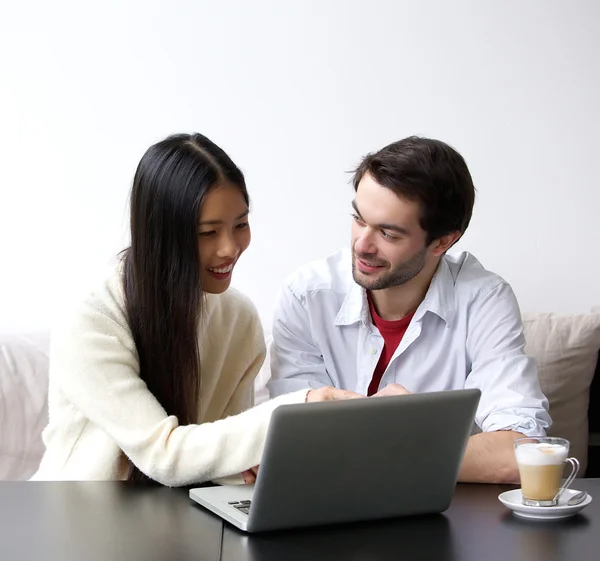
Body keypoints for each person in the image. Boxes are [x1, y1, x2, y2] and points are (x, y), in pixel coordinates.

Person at [31, 132, 360, 486]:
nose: (230, 248)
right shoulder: (93, 317)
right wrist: (298, 408)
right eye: (208, 232)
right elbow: (163, 454)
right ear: (162, 234)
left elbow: (222, 451)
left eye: (241, 225)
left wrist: (248, 468)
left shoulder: (238, 319)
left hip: (178, 517)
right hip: (75, 520)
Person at [268, 136, 551, 484]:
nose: (362, 244)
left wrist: (395, 443)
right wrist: (414, 446)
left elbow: (522, 453)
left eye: (388, 233)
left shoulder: (484, 299)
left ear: (443, 241)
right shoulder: (307, 296)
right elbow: (293, 439)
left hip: (440, 518)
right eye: (359, 219)